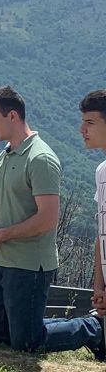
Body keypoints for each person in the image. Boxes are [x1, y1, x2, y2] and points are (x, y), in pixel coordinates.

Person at [0, 86, 105, 356]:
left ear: (12, 116)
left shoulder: (40, 158)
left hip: (29, 264)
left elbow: (48, 219)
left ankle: (92, 327)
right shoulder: (7, 154)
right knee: (2, 337)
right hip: (2, 261)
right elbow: (1, 204)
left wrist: (2, 235)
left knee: (26, 343)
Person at [84, 90, 106, 346]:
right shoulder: (101, 172)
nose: (82, 129)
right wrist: (99, 286)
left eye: (90, 122)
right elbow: (101, 234)